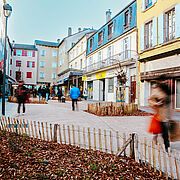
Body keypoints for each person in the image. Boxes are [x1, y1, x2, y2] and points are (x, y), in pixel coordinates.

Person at [148, 74, 171, 152]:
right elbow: (150, 100)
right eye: (163, 80)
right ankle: (165, 145)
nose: (165, 82)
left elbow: (169, 100)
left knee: (165, 130)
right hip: (159, 113)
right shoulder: (156, 89)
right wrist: (156, 103)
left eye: (166, 80)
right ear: (160, 81)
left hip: (166, 113)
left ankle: (166, 145)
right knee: (161, 130)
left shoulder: (168, 89)